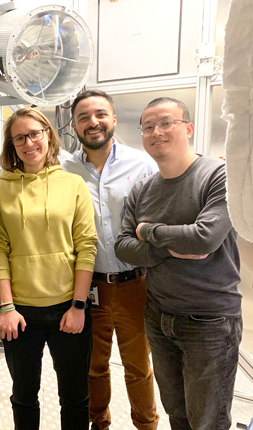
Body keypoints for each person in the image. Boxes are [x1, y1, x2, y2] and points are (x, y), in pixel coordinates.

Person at [114, 97, 243, 430]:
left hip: (209, 320)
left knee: (208, 420)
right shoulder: (141, 190)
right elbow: (123, 247)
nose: (156, 132)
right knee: (176, 412)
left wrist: (148, 231)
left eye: (166, 122)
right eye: (148, 126)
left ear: (188, 128)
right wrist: (170, 246)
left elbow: (204, 239)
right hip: (158, 316)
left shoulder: (219, 175)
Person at [0, 107, 97, 430]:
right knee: (24, 395)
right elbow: (0, 250)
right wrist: (6, 307)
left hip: (69, 308)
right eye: (19, 138)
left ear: (48, 134)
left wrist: (78, 306)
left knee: (75, 396)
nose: (28, 143)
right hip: (20, 313)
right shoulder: (1, 187)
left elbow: (86, 246)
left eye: (34, 134)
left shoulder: (73, 184)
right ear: (12, 145)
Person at [61, 89, 159, 430]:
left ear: (114, 119)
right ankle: (99, 423)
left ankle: (146, 425)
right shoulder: (64, 169)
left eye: (100, 114)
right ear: (74, 126)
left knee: (138, 367)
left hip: (135, 284)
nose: (93, 122)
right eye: (84, 117)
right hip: (88, 288)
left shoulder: (142, 164)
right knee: (93, 367)